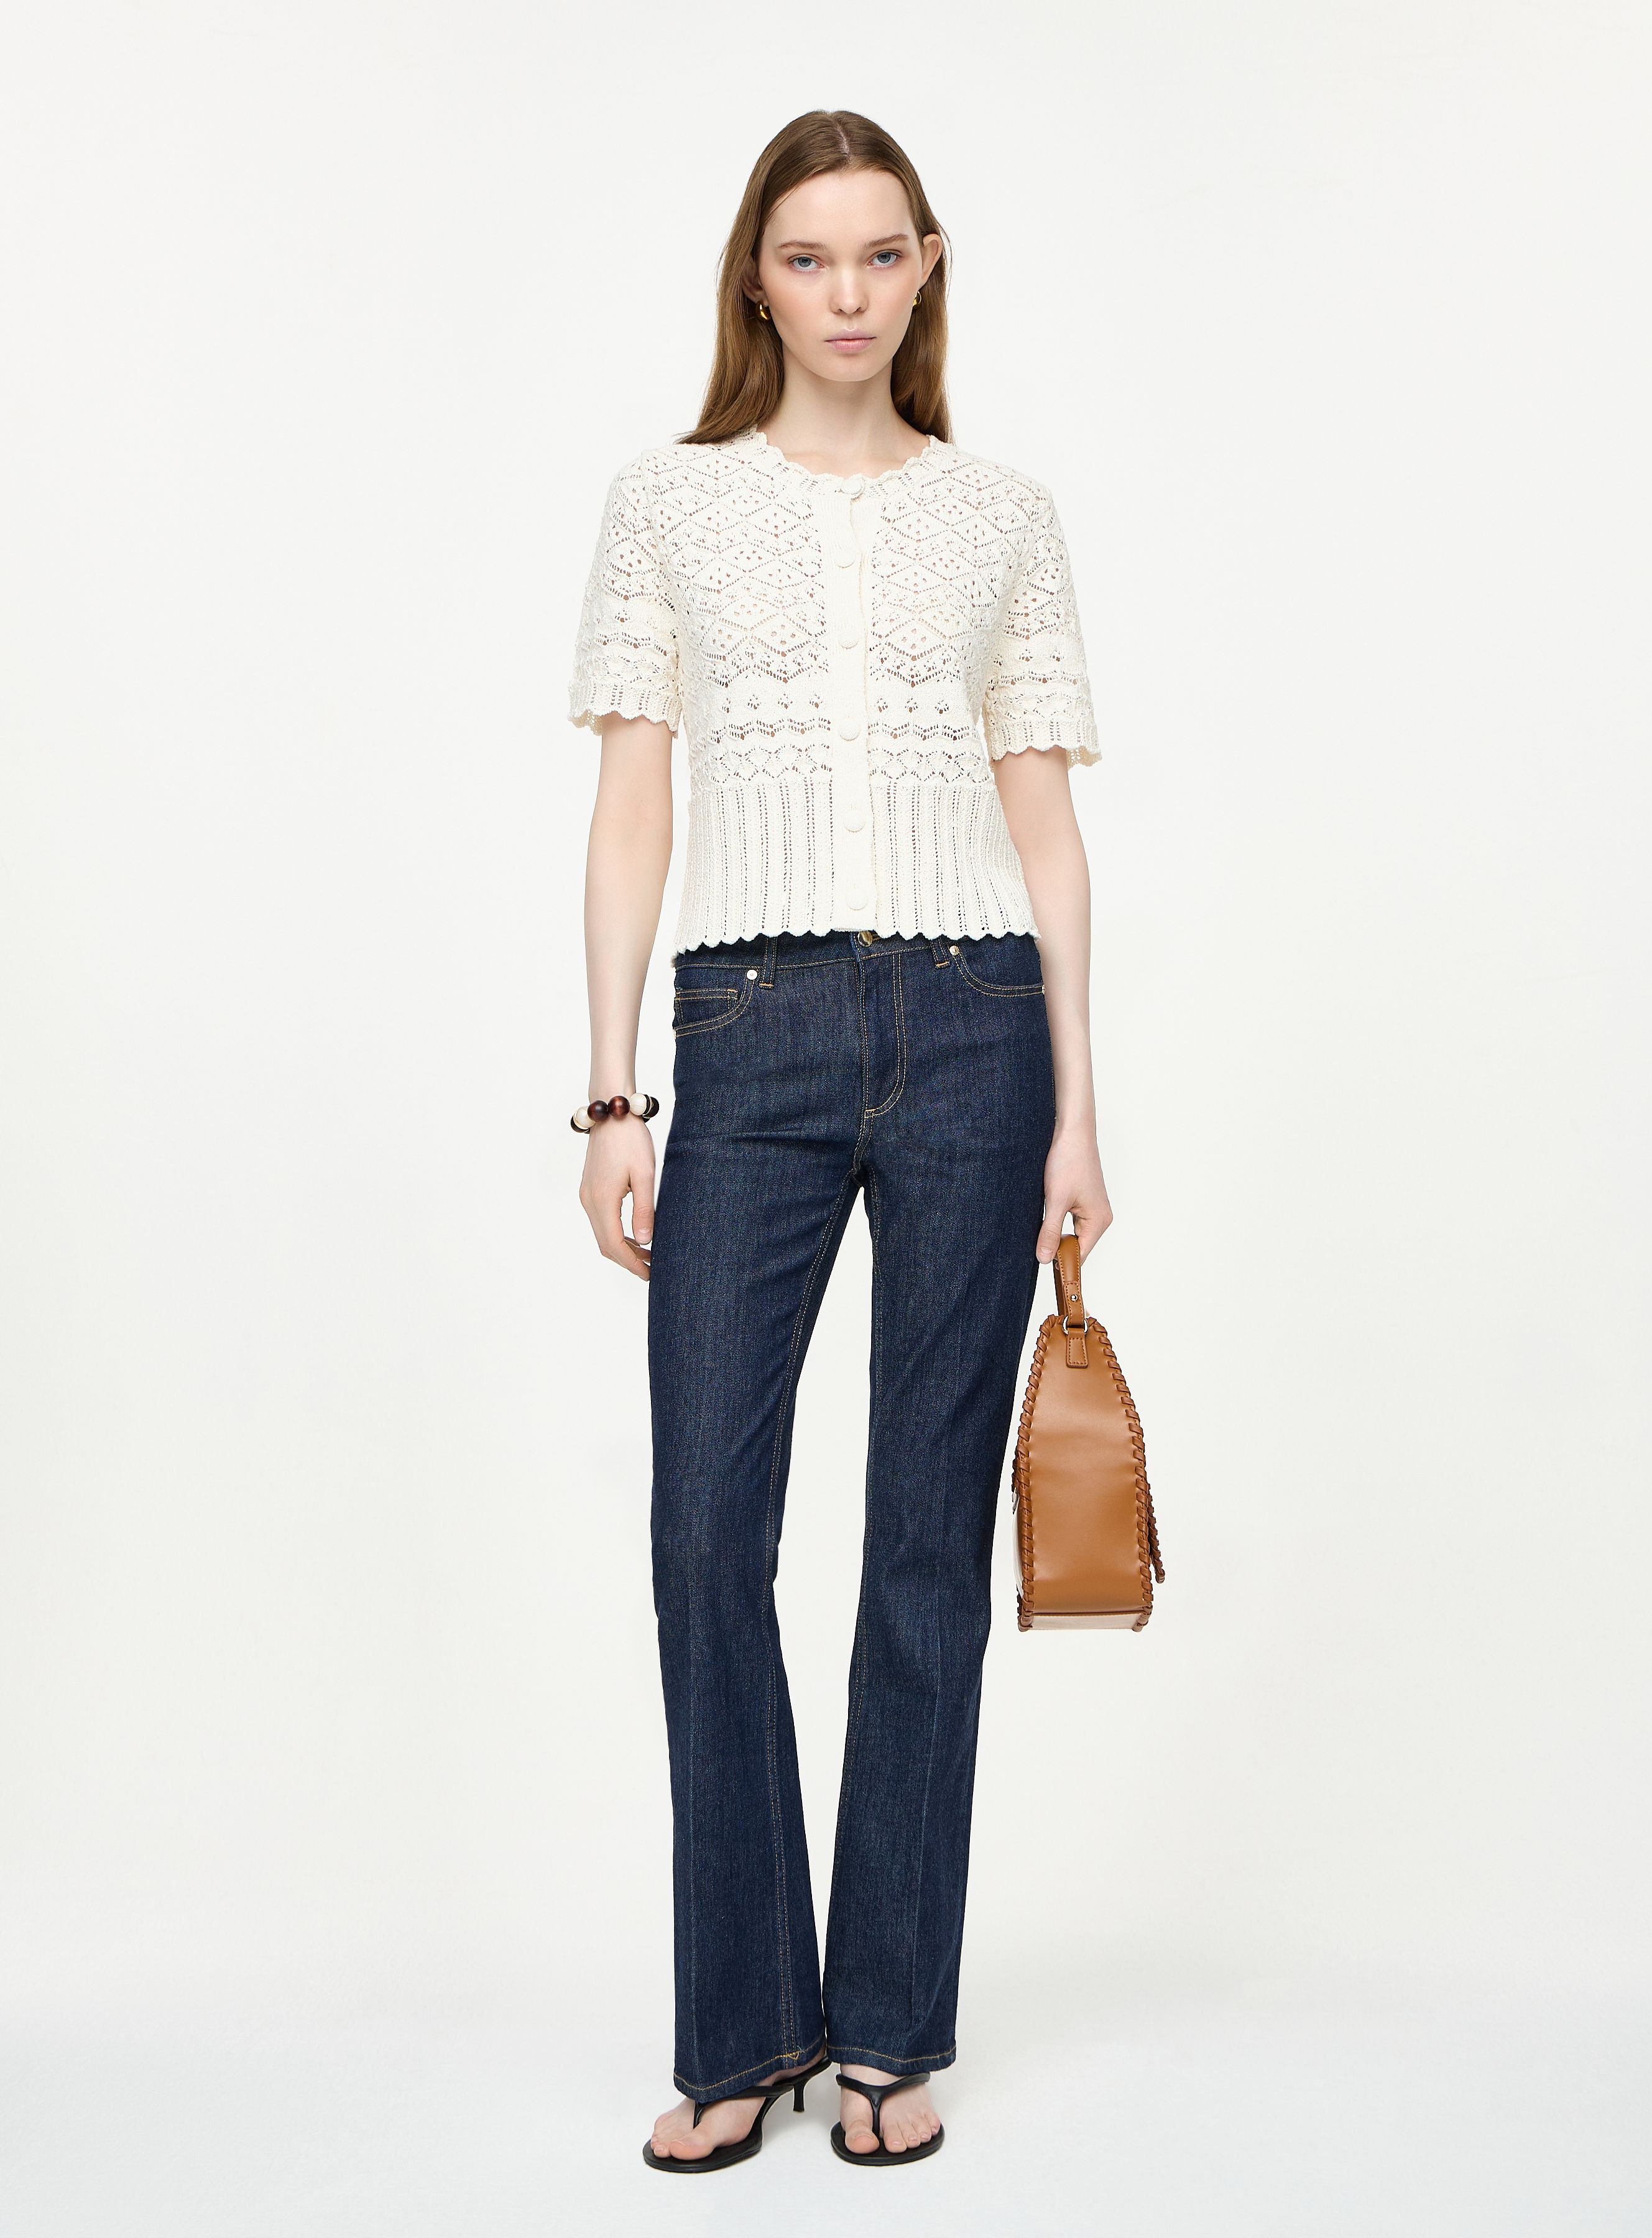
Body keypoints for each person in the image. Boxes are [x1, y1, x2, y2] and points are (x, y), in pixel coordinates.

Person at [568, 108, 1111, 2171]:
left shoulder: (1002, 515)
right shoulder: (668, 503)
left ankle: (885, 2023)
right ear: (757, 279)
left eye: (882, 254)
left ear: (927, 265)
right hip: (751, 1030)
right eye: (809, 258)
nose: (849, 294)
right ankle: (744, 2027)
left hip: (977, 1028)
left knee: (919, 1543)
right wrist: (612, 1092)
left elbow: (1045, 821)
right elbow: (633, 805)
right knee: (707, 1534)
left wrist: (1076, 1101)